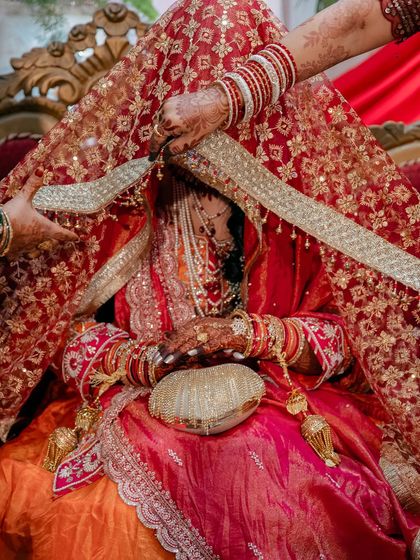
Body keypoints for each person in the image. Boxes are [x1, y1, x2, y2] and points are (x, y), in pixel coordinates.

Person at [0, 0, 419, 558]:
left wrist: (249, 336)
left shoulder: (300, 205)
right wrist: (136, 359)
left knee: (273, 493)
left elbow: (359, 336)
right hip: (129, 402)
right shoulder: (118, 201)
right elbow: (54, 332)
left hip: (278, 401)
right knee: (68, 508)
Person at [1, 0, 419, 256]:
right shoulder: (126, 205)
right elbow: (77, 332)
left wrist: (258, 337)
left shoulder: (297, 207)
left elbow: (336, 324)